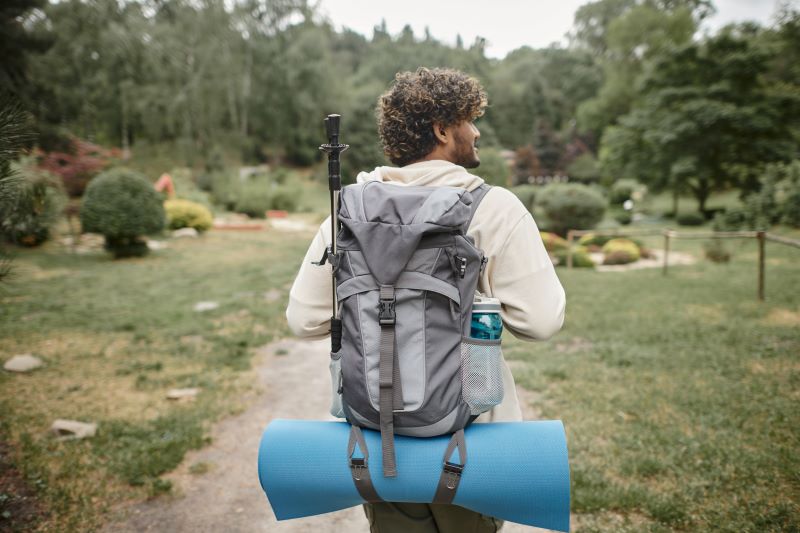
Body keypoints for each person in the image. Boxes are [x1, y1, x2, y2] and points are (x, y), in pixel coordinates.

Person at [286, 67, 566, 533]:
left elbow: (303, 319)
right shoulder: (494, 207)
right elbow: (541, 321)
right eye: (469, 120)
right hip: (469, 443)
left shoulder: (347, 210)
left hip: (376, 441)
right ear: (441, 130)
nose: (476, 132)